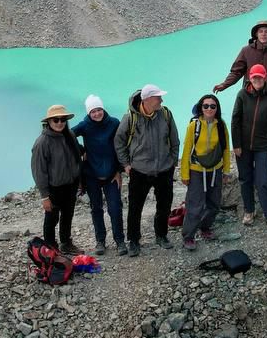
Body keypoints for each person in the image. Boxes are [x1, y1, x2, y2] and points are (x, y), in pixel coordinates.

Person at [115, 84, 180, 257]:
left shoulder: (165, 114)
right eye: (158, 97)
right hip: (139, 171)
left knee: (164, 205)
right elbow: (119, 141)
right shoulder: (130, 118)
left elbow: (174, 139)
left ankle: (161, 235)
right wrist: (126, 165)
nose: (162, 100)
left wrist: (173, 160)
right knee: (135, 208)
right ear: (147, 100)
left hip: (164, 169)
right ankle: (134, 241)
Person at [231, 64, 267, 230]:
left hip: (263, 146)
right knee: (245, 178)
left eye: (260, 77)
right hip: (244, 146)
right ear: (250, 78)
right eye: (254, 77)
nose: (257, 80)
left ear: (265, 77)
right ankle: (249, 210)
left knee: (263, 181)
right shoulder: (242, 95)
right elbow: (235, 121)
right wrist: (237, 145)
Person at [72, 94, 125, 255]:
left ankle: (120, 241)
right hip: (91, 175)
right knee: (96, 208)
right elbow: (68, 135)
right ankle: (100, 241)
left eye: (99, 110)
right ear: (89, 113)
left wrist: (119, 170)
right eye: (93, 111)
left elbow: (122, 145)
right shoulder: (85, 125)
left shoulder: (114, 123)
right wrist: (81, 151)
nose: (96, 114)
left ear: (103, 109)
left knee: (115, 208)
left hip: (111, 175)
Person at [178, 94, 231, 251]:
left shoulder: (221, 125)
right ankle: (188, 236)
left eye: (212, 106)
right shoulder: (194, 126)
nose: (209, 109)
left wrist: (226, 170)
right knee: (195, 204)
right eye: (206, 106)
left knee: (214, 203)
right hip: (196, 170)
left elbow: (226, 149)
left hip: (215, 169)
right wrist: (185, 174)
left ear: (217, 109)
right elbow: (187, 151)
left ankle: (205, 227)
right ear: (200, 108)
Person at [30, 104, 84, 254]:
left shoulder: (69, 135)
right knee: (51, 219)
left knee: (67, 216)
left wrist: (79, 179)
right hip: (54, 188)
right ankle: (50, 247)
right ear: (49, 122)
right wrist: (44, 196)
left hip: (70, 185)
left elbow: (76, 154)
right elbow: (38, 171)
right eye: (56, 120)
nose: (60, 123)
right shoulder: (42, 143)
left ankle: (66, 243)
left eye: (62, 119)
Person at [213, 19, 267, 96]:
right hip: (249, 95)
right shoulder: (246, 51)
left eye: (266, 31)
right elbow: (236, 72)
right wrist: (224, 84)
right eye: (260, 31)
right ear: (256, 34)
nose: (263, 34)